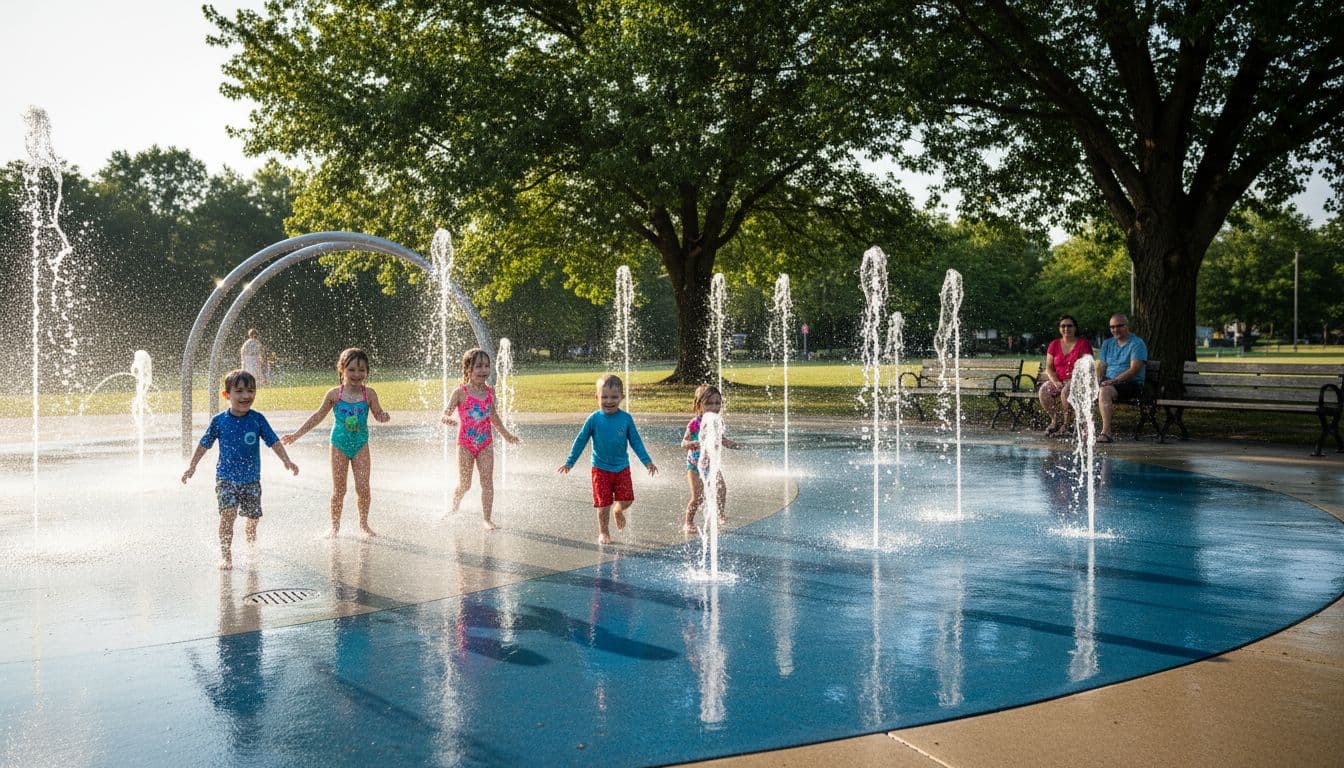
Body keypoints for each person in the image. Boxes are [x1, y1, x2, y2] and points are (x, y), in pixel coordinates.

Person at [182, 369, 299, 569]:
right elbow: (204, 443)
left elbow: (273, 441)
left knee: (253, 518)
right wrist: (192, 465)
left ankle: (251, 543)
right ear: (227, 395)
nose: (246, 396)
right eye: (240, 391)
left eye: (251, 391)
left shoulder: (257, 419)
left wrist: (286, 460)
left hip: (251, 479)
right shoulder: (219, 421)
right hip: (225, 478)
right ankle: (226, 555)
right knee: (228, 514)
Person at [282, 348, 391, 536]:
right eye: (352, 370)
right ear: (342, 369)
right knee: (339, 490)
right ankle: (335, 526)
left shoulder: (369, 394)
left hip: (360, 444)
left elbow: (378, 413)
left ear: (367, 371)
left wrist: (383, 416)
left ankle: (363, 524)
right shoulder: (335, 394)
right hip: (339, 444)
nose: (357, 374)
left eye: (362, 370)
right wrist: (296, 434)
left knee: (363, 488)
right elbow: (317, 416)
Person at [557, 374, 658, 545]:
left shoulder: (626, 419)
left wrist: (647, 461)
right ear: (597, 397)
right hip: (600, 468)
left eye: (614, 397)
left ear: (622, 397)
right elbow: (581, 440)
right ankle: (604, 532)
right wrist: (570, 462)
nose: (609, 401)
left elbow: (635, 441)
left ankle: (618, 511)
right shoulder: (594, 419)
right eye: (604, 397)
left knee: (627, 499)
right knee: (603, 504)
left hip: (621, 468)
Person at [441, 347, 520, 531]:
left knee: (487, 482)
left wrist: (506, 435)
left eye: (486, 366)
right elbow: (446, 412)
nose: (483, 370)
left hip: (485, 443)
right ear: (468, 370)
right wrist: (447, 418)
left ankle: (487, 519)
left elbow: (494, 417)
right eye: (478, 366)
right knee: (465, 483)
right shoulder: (460, 392)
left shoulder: (490, 392)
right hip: (465, 444)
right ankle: (454, 507)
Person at [681, 384, 741, 534]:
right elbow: (683, 443)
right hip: (695, 465)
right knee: (697, 497)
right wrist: (691, 443)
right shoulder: (695, 423)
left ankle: (720, 514)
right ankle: (688, 522)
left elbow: (721, 438)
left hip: (711, 464)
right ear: (698, 405)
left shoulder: (718, 421)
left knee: (722, 489)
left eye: (717, 403)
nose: (714, 407)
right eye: (709, 403)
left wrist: (729, 443)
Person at [1037, 314, 1094, 436]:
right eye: (1063, 326)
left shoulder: (1083, 344)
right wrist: (1056, 381)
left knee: (1066, 391)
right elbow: (1049, 368)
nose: (1066, 328)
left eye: (1069, 326)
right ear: (1059, 328)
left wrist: (1072, 381)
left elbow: (1087, 368)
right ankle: (1055, 420)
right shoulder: (1054, 344)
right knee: (1044, 390)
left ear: (1075, 328)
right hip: (1059, 380)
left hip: (1078, 382)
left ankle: (1067, 425)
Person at [1095, 313, 1147, 443]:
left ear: (1127, 326)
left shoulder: (1137, 343)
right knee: (1080, 388)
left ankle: (1106, 432)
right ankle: (1078, 429)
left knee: (1105, 390)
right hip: (1110, 382)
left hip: (1131, 384)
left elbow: (1134, 369)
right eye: (1112, 327)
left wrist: (1113, 381)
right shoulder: (1107, 343)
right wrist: (1100, 378)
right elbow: (1102, 365)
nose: (1115, 330)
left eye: (1119, 326)